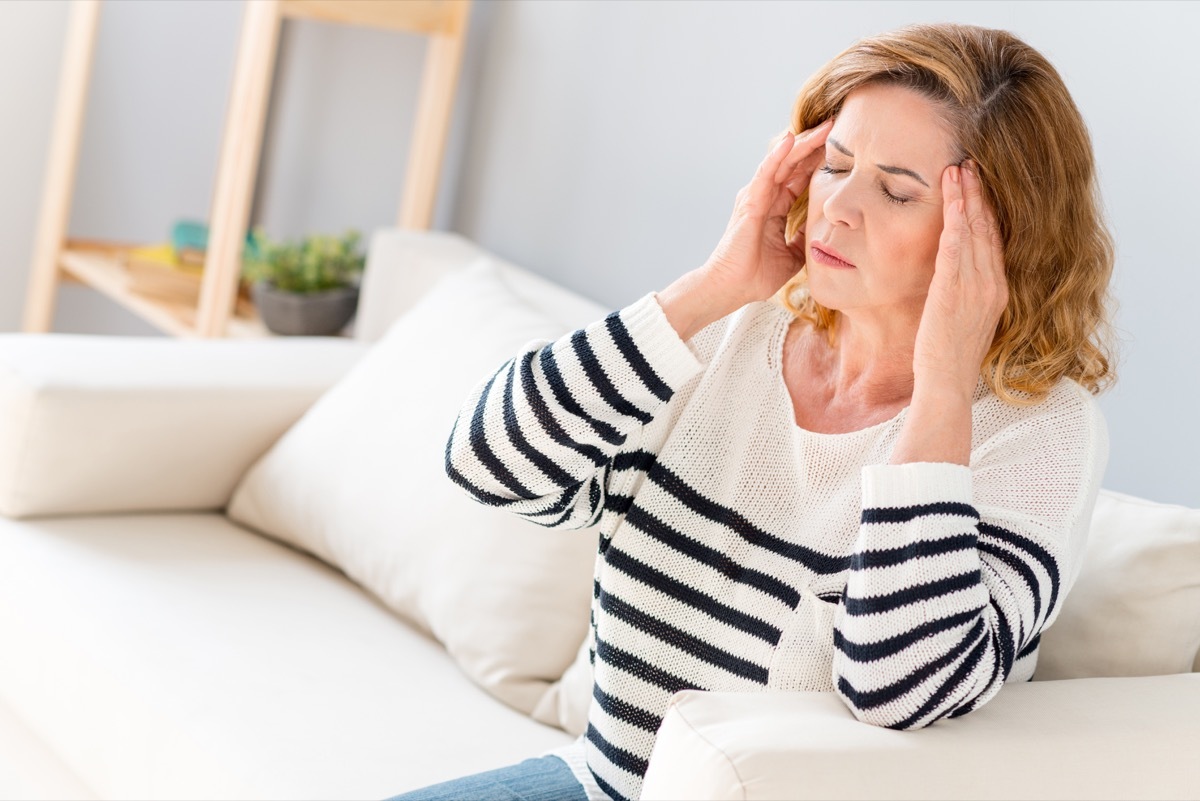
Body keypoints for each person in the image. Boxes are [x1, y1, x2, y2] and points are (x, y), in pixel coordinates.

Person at [387, 20, 1115, 801]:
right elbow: (489, 463)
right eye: (836, 165)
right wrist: (713, 286)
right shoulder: (735, 333)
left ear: (999, 237)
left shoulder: (1040, 431)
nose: (837, 207)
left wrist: (941, 389)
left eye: (898, 190)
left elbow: (900, 687)